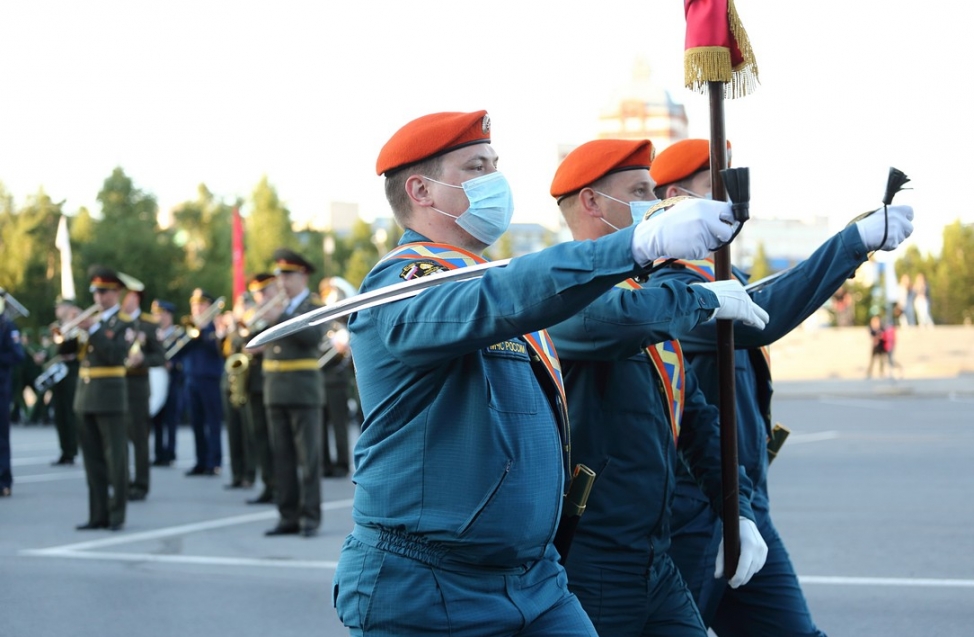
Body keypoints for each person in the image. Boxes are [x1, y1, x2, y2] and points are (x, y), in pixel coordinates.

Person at [331, 110, 746, 637]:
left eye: (495, 165)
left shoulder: (497, 281)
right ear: (421, 190)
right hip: (430, 583)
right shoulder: (405, 280)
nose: (495, 181)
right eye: (476, 167)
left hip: (535, 577)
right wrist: (636, 245)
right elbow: (495, 302)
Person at [649, 138, 914, 637]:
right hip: (692, 512)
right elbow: (763, 317)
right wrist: (851, 243)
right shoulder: (666, 287)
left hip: (746, 503)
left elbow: (773, 294)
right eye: (716, 188)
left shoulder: (734, 279)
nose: (731, 203)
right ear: (675, 198)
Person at [546, 138, 770, 636]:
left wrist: (738, 509)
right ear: (592, 203)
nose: (656, 203)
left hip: (654, 555)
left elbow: (697, 422)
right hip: (593, 559)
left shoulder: (645, 295)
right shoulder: (563, 292)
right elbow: (620, 322)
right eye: (641, 190)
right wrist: (697, 295)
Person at [256, 249, 325, 537]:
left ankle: (310, 516)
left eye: (288, 275)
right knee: (281, 457)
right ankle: (287, 515)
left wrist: (281, 316)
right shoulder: (277, 305)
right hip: (275, 389)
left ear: (303, 275)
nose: (282, 281)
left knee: (307, 458)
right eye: (280, 275)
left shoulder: (313, 304)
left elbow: (313, 337)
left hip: (303, 389)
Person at [74, 266, 136, 530]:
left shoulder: (125, 322)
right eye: (96, 292)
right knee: (93, 460)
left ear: (116, 292)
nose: (98, 297)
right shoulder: (93, 323)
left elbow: (115, 355)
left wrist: (95, 329)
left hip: (110, 396)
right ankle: (97, 513)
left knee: (116, 459)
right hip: (85, 396)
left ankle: (116, 514)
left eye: (104, 292)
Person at [120, 275, 166, 501]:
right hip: (115, 384)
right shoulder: (114, 321)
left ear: (135, 297)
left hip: (137, 385)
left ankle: (140, 484)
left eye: (124, 293)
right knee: (117, 439)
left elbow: (159, 356)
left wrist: (143, 361)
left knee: (139, 439)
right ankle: (122, 482)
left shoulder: (148, 324)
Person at [241, 273, 280, 505]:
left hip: (273, 381)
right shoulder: (253, 315)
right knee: (260, 438)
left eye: (265, 292)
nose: (261, 297)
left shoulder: (278, 313)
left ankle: (279, 485)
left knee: (276, 439)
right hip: (253, 382)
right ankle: (267, 484)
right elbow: (239, 343)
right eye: (258, 293)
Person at [181, 289, 225, 477]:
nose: (197, 308)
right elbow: (182, 350)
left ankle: (214, 462)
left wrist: (205, 329)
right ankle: (200, 461)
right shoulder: (191, 327)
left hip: (210, 378)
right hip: (192, 378)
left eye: (201, 304)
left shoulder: (215, 326)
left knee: (212, 422)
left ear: (209, 306)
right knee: (196, 423)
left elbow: (217, 349)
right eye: (194, 305)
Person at [317, 276, 354, 478]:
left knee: (339, 423)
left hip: (336, 379)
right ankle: (325, 464)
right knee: (320, 425)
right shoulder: (322, 323)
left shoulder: (342, 323)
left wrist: (341, 348)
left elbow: (346, 354)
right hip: (319, 378)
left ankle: (342, 464)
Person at [219, 294, 256, 489]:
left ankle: (249, 473)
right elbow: (224, 352)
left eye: (246, 305)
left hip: (247, 383)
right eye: (240, 305)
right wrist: (224, 331)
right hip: (230, 382)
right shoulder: (232, 329)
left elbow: (248, 346)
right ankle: (236, 473)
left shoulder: (251, 326)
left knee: (247, 432)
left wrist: (242, 328)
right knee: (233, 432)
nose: (242, 308)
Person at [48, 298, 82, 465]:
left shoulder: (77, 324)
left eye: (60, 307)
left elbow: (79, 348)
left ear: (68, 308)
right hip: (58, 372)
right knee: (60, 413)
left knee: (69, 412)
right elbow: (55, 349)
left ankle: (72, 449)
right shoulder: (57, 326)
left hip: (71, 372)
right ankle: (64, 450)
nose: (57, 309)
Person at [151, 299, 182, 466]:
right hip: (156, 380)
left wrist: (174, 365)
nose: (159, 317)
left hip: (172, 381)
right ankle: (158, 453)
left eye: (162, 314)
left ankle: (170, 452)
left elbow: (183, 358)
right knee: (157, 418)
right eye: (156, 314)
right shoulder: (153, 334)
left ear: (169, 315)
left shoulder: (177, 334)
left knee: (171, 419)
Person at [1, 295, 26, 497]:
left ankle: (4, 481)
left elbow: (18, 355)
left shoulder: (7, 326)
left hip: (1, 388)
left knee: (1, 438)